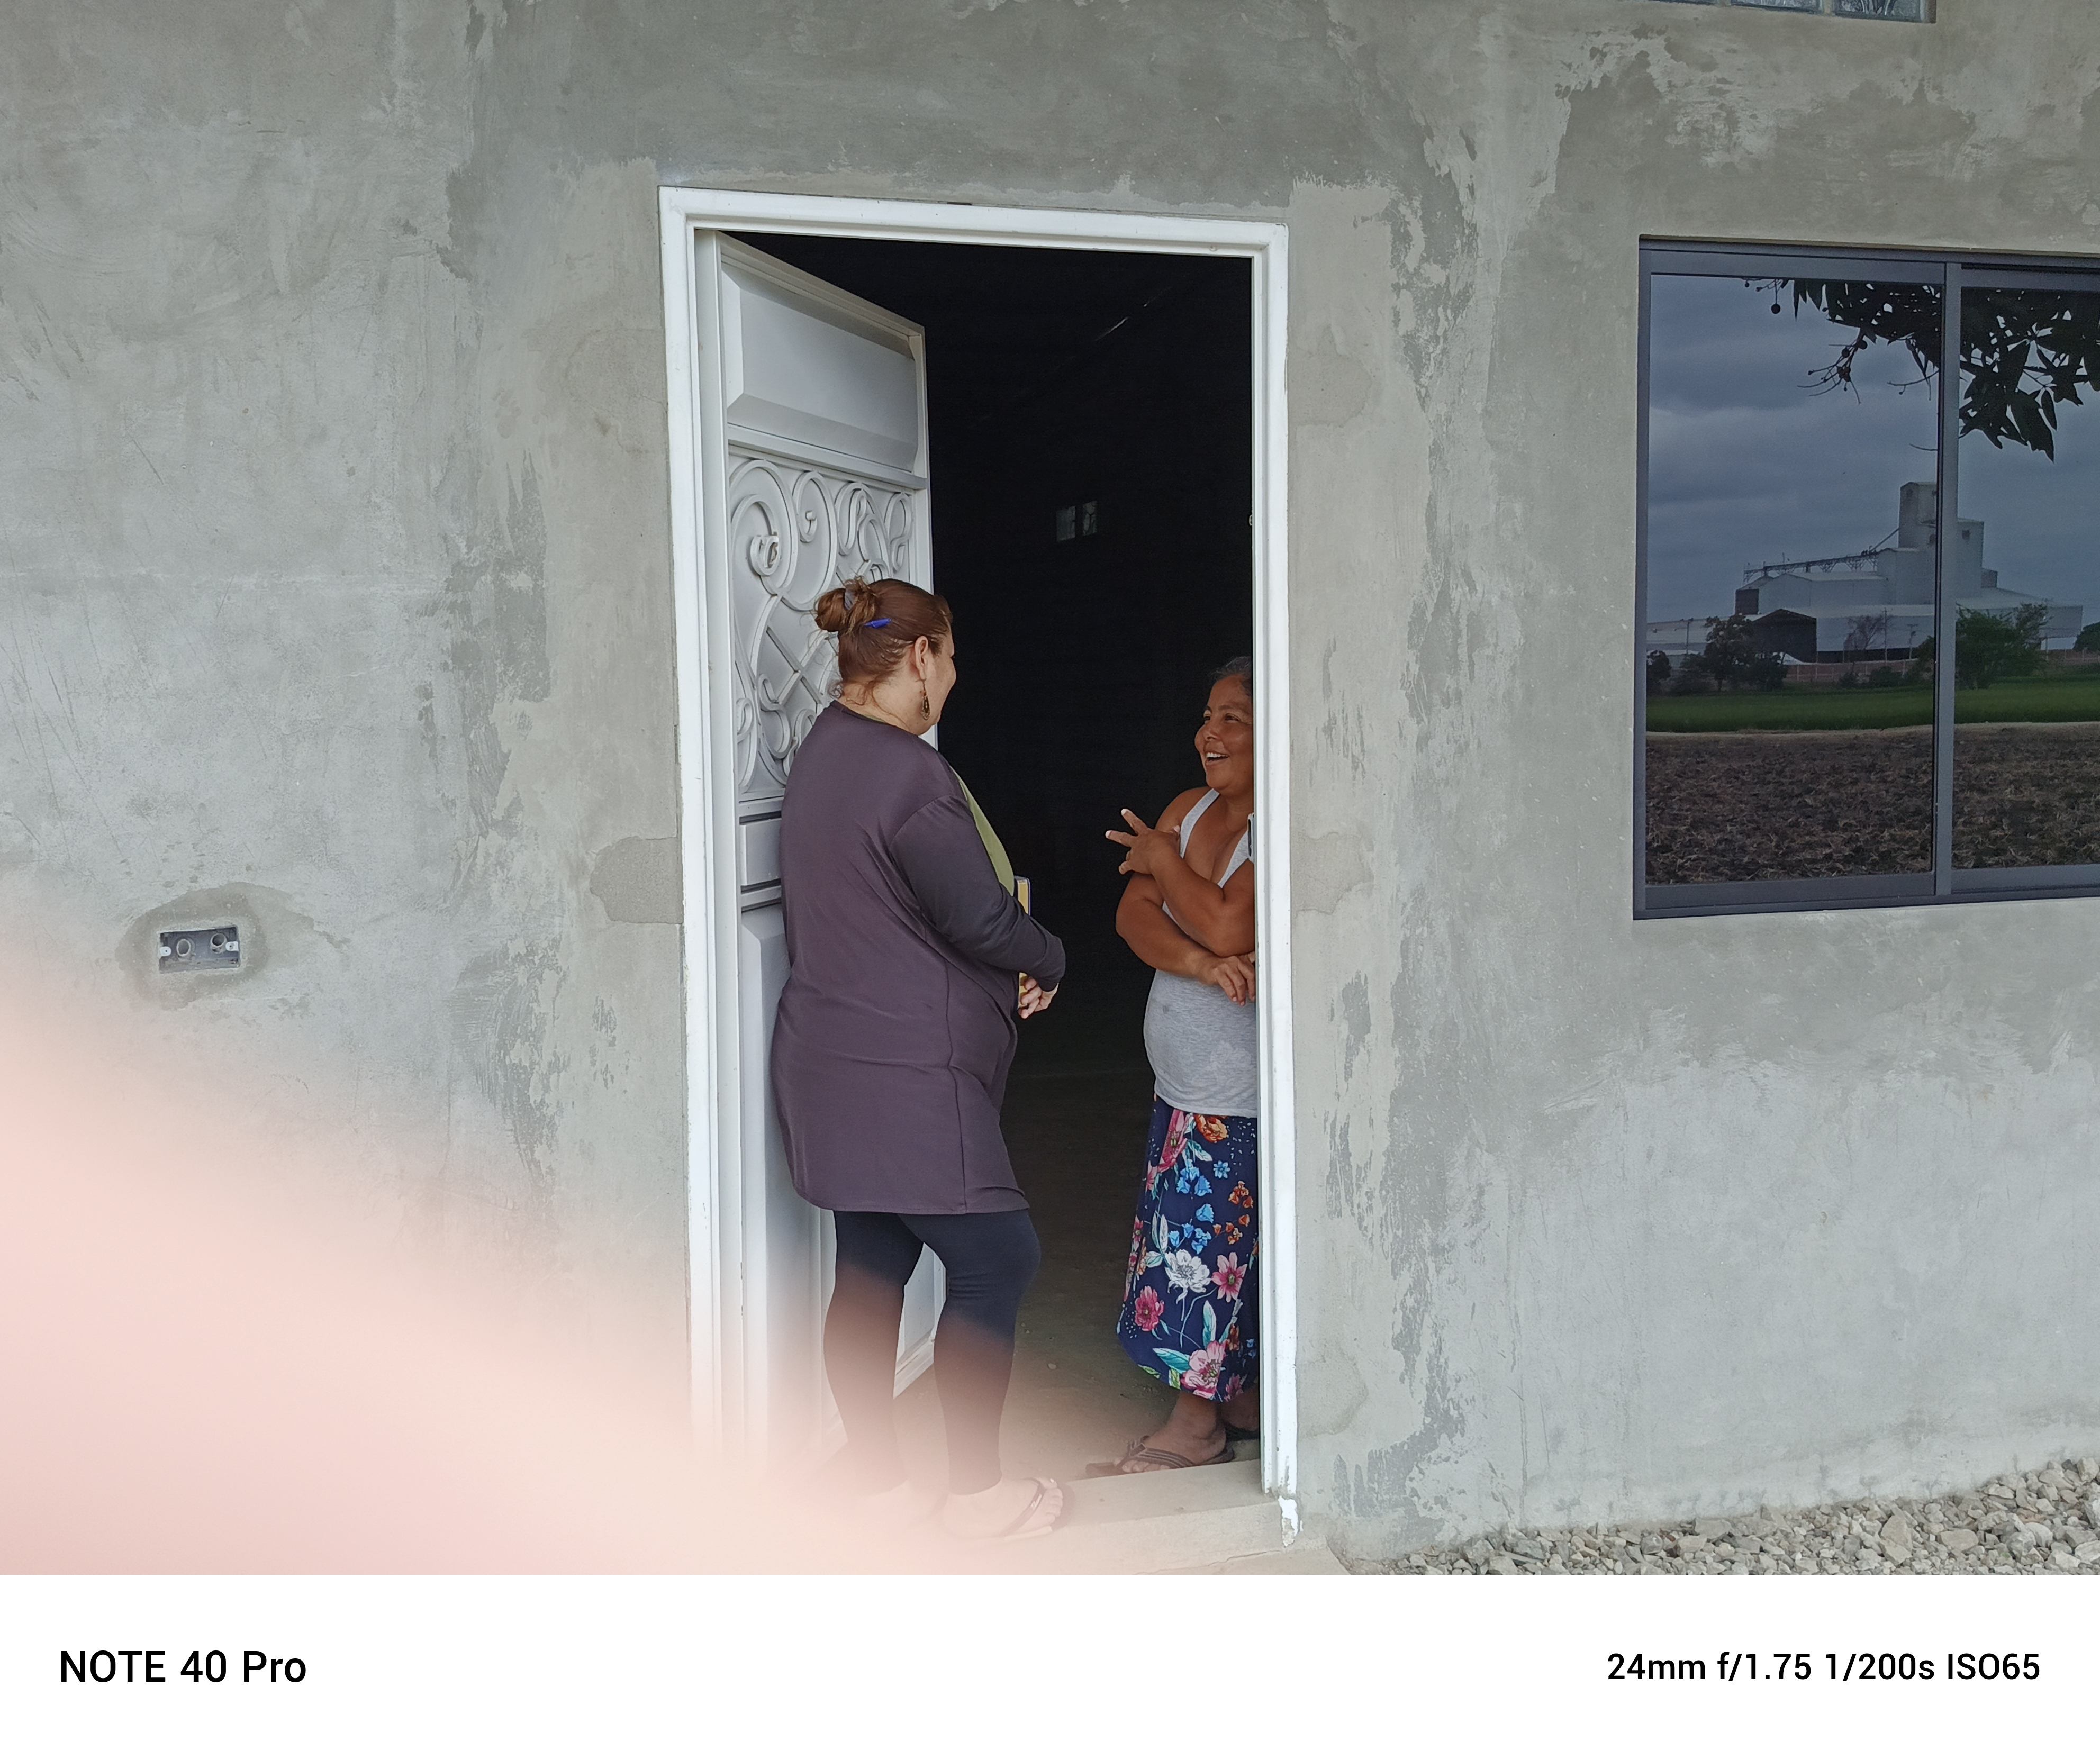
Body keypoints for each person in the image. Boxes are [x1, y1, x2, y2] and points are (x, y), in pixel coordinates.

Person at [771, 575, 1068, 1540]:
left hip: (829, 1061)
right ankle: (978, 1499)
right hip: (907, 1076)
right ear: (923, 654)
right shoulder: (910, 774)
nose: (955, 676)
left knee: (871, 1263)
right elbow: (978, 914)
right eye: (951, 655)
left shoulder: (823, 751)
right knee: (999, 1259)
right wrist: (1049, 955)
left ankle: (880, 1486)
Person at [1092, 658, 1260, 1474]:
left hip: (1239, 1098)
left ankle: (1198, 1427)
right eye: (1207, 715)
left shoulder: (1278, 823)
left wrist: (1164, 866)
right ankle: (1238, 1401)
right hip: (1183, 1091)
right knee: (1187, 1244)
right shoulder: (1185, 813)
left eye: (1234, 718)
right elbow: (1133, 917)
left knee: (1208, 1258)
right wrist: (1198, 963)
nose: (1209, 734)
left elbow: (1230, 922)